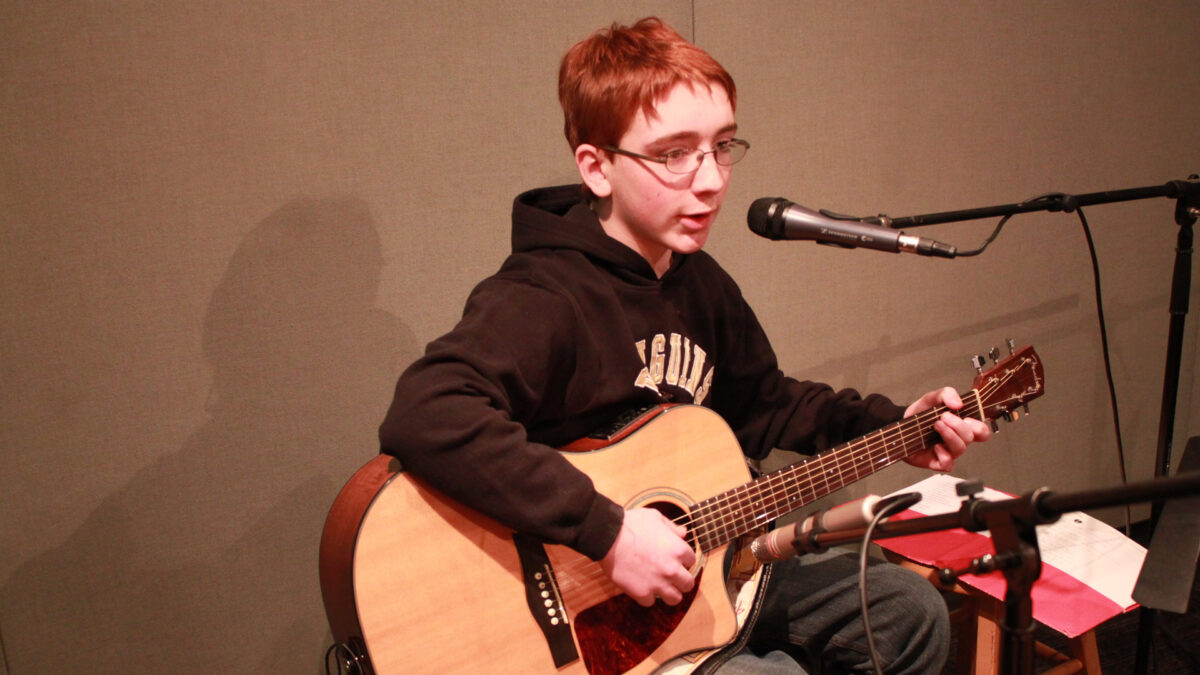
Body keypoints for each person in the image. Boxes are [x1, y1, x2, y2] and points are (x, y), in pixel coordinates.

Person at [380, 17, 990, 674]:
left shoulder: (700, 282)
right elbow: (428, 410)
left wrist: (895, 427)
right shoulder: (543, 293)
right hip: (586, 616)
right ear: (598, 168)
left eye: (722, 146)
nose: (711, 180)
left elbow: (766, 404)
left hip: (712, 569)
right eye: (674, 153)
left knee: (907, 612)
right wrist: (608, 531)